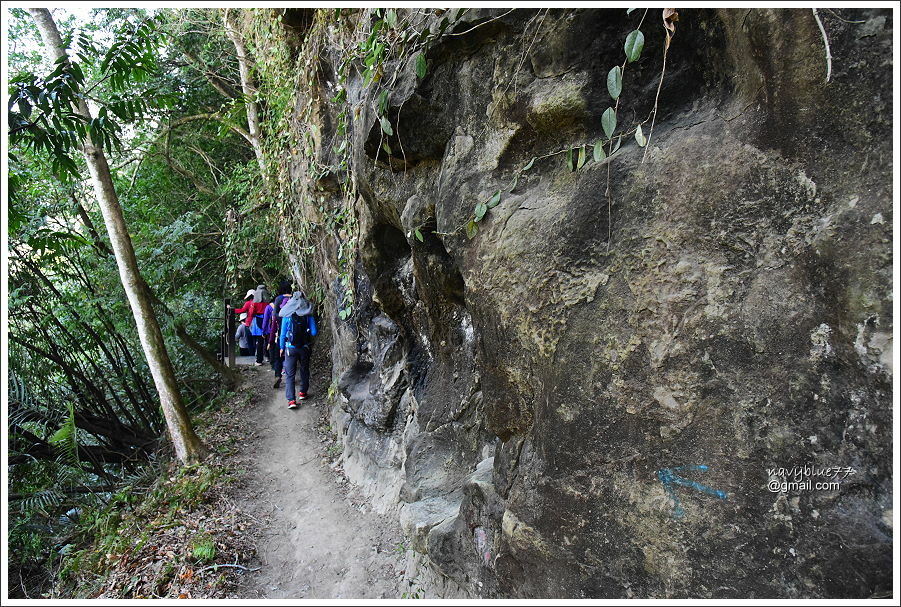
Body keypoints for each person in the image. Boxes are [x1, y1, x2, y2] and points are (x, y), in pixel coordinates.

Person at [279, 290, 317, 409]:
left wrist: (281, 347)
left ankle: (291, 400)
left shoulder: (287, 316)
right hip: (304, 348)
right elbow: (314, 332)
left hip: (290, 348)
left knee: (290, 374)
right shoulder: (308, 315)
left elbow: (282, 334)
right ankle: (302, 392)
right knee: (304, 369)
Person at [232, 285, 270, 365]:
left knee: (259, 342)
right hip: (267, 321)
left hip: (258, 322)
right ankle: (268, 357)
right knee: (267, 340)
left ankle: (259, 360)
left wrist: (232, 310)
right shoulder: (267, 303)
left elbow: (251, 313)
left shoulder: (254, 303)